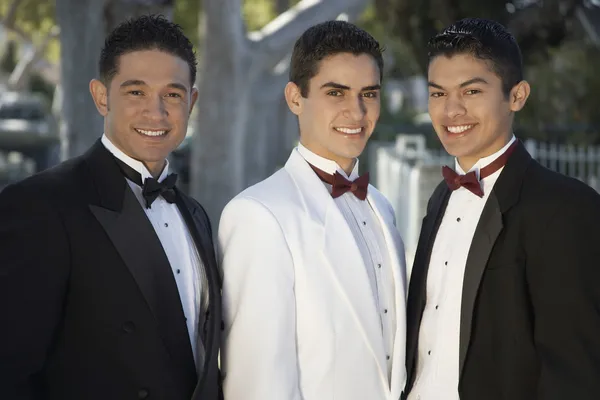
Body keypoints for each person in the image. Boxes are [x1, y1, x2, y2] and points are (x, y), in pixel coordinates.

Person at [0, 15, 222, 400]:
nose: (156, 113)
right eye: (136, 92)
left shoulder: (196, 215)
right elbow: (11, 372)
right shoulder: (40, 206)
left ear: (192, 101)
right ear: (102, 96)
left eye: (172, 94)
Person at [403, 18, 600, 400]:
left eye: (471, 91)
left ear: (517, 95)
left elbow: (576, 375)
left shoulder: (567, 208)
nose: (451, 111)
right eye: (438, 94)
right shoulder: (440, 198)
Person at [217, 20, 407, 400]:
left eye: (368, 94)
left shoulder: (382, 208)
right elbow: (259, 384)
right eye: (335, 92)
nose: (356, 111)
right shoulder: (258, 215)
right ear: (294, 98)